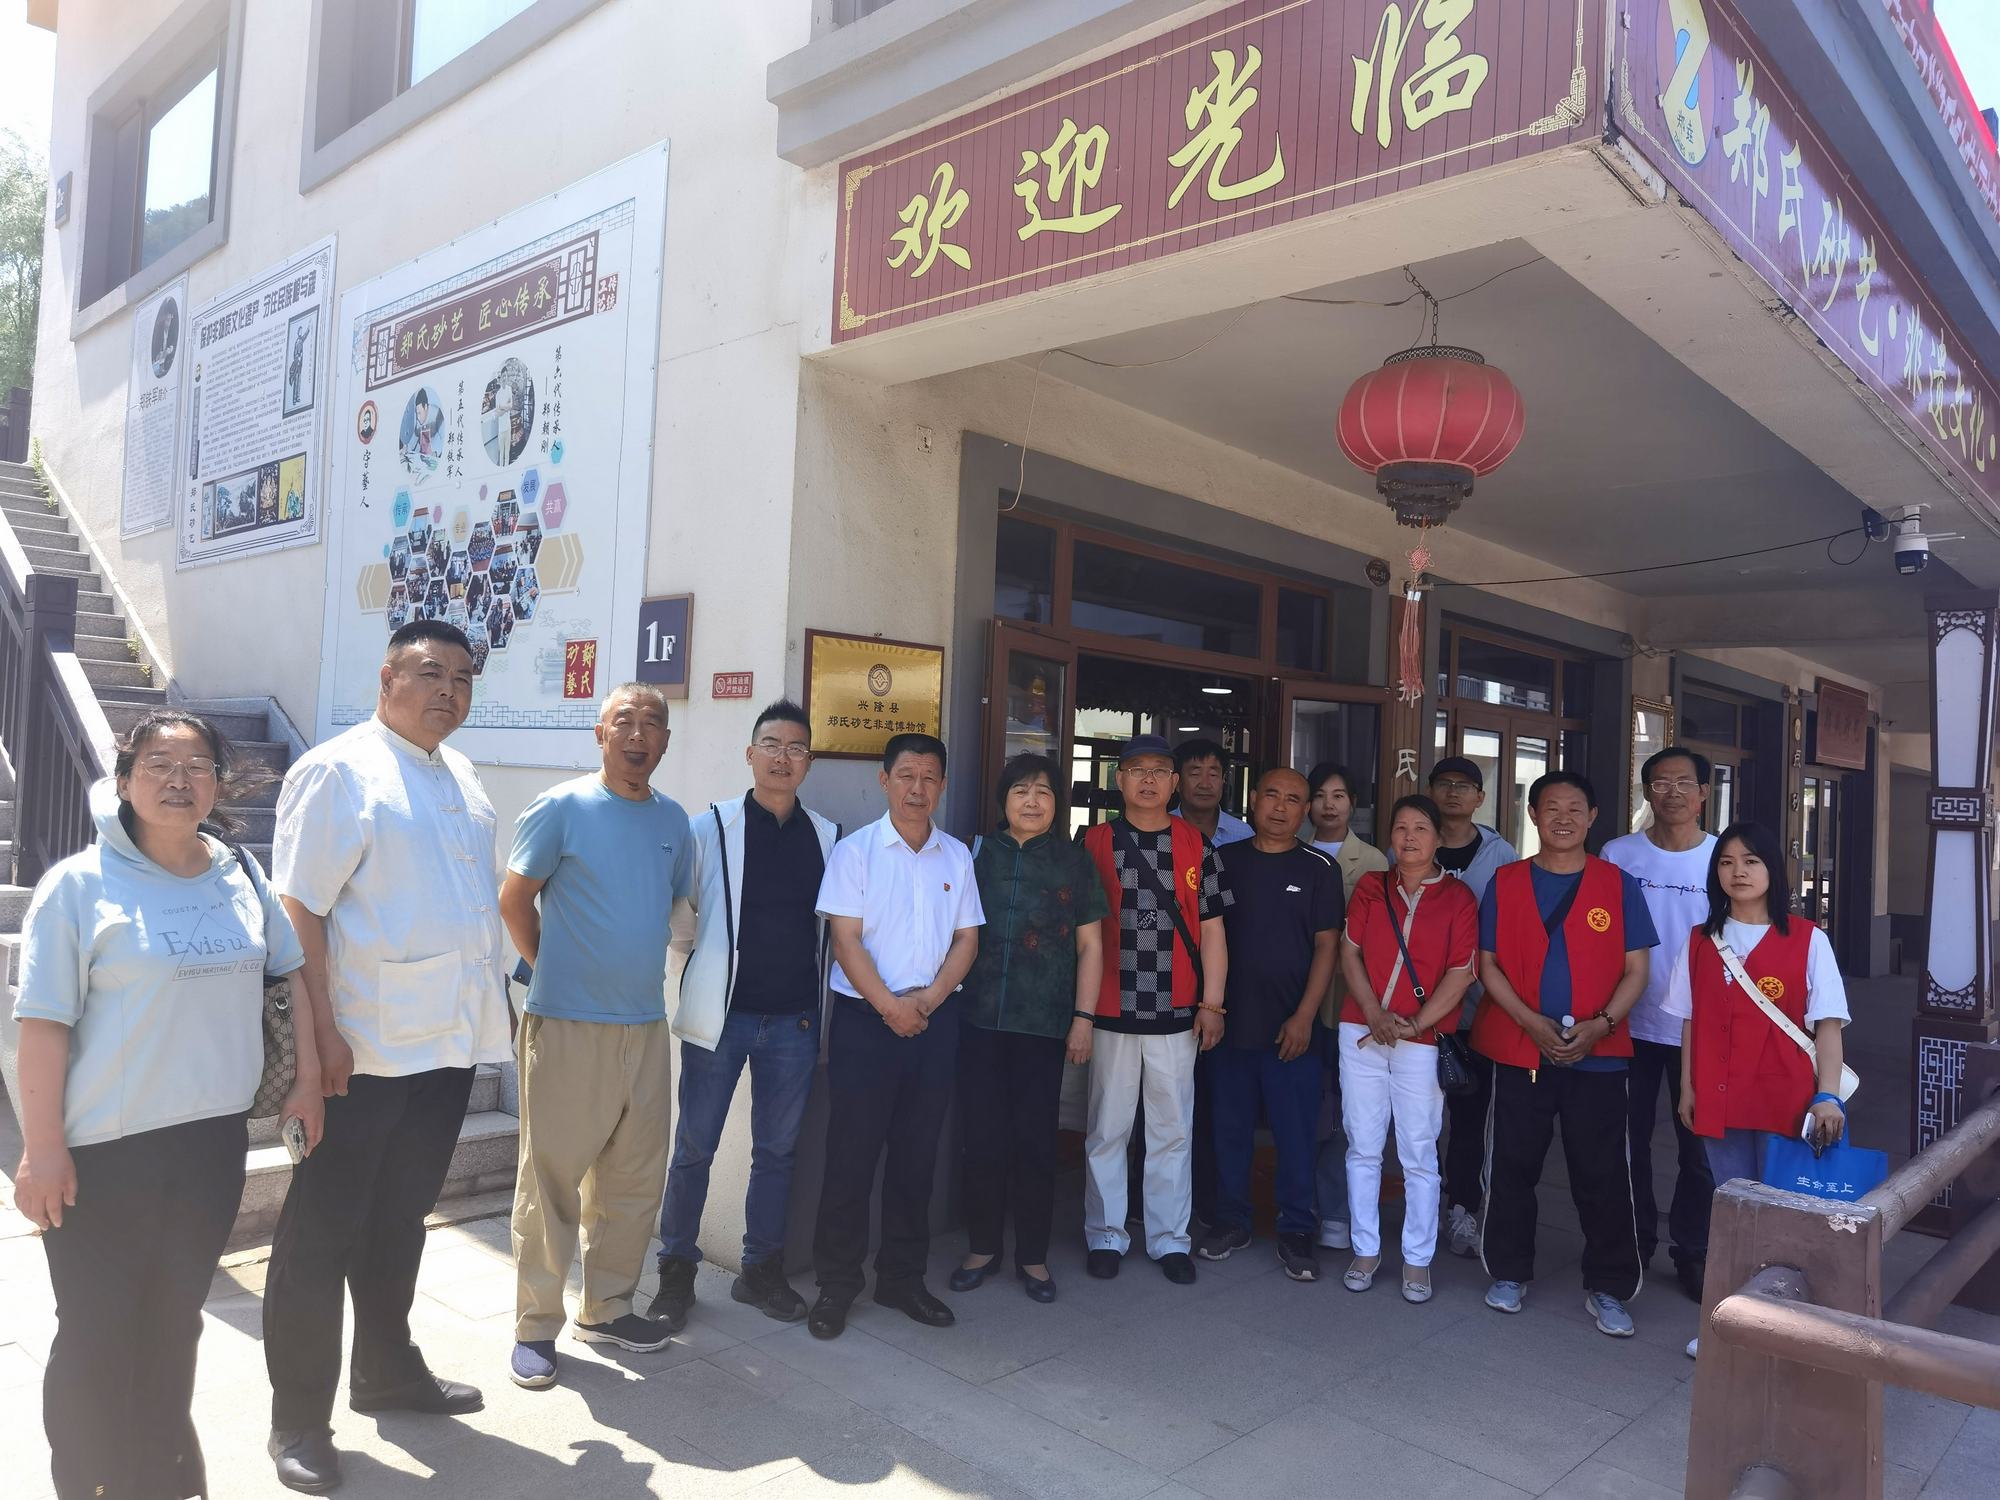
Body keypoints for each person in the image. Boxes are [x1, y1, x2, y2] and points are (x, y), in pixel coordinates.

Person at [13, 712, 320, 1500]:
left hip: (210, 1144)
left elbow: (288, 976)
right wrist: (41, 1149)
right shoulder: (78, 886)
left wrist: (307, 1081)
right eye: (157, 764)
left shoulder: (240, 874)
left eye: (197, 766)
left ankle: (163, 1478)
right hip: (103, 1153)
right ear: (123, 781)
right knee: (95, 1334)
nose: (178, 779)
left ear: (219, 783)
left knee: (175, 1319)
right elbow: (41, 1026)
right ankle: (88, 1484)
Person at [263, 621, 514, 1493]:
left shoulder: (462, 774)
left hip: (445, 1044)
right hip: (362, 1052)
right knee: (320, 1233)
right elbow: (299, 911)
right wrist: (321, 1038)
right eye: (430, 672)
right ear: (386, 678)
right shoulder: (338, 771)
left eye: (463, 678)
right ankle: (299, 1415)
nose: (449, 690)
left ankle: (386, 1369)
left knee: (401, 1218)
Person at [499, 684, 694, 1390]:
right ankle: (535, 1326)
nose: (638, 735)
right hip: (568, 1024)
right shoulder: (562, 807)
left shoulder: (674, 820)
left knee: (633, 1178)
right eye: (624, 722)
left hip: (644, 1024)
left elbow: (674, 909)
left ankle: (608, 1308)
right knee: (550, 1179)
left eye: (652, 724)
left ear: (666, 740)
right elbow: (514, 900)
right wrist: (553, 967)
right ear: (600, 733)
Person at [654, 701, 839, 1330]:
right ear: (750, 754)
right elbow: (683, 921)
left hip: (795, 1021)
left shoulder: (826, 835)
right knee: (694, 1146)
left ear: (808, 761)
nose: (783, 757)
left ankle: (760, 1270)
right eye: (772, 745)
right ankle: (676, 1269)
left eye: (796, 748)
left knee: (778, 1152)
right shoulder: (711, 826)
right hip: (724, 1018)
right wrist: (707, 972)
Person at [808, 733, 984, 1339]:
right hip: (866, 1023)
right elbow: (845, 940)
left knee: (917, 1155)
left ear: (942, 785)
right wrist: (891, 1008)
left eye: (929, 777)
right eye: (906, 775)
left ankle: (902, 1279)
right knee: (851, 1156)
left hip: (933, 1021)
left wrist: (925, 1003)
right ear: (884, 781)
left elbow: (967, 939)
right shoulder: (855, 852)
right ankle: (836, 1284)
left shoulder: (955, 856)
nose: (917, 788)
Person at [1473, 770, 1656, 1338]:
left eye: (1575, 808)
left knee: (1603, 1171)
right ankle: (1508, 1271)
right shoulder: (1505, 881)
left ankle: (1609, 1285)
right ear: (1532, 815)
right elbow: (1487, 964)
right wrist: (1530, 1022)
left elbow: (1637, 969)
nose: (1563, 818)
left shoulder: (1617, 884)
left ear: (1593, 816)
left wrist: (1602, 1026)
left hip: (1600, 1055)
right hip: (1518, 1049)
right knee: (1512, 1166)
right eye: (1551, 807)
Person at [951, 754, 1107, 1303]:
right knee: (982, 1137)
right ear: (1004, 800)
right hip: (977, 1020)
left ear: (1057, 803)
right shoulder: (974, 855)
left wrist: (1083, 1019)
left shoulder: (1074, 862)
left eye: (1043, 791)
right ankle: (982, 1248)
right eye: (1021, 790)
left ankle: (1033, 1257)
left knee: (1036, 1141)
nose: (1032, 801)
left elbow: (1091, 946)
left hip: (1043, 1024)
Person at [1080, 735, 1231, 1284]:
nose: (1148, 779)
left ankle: (1170, 1239)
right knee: (1108, 1128)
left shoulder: (1199, 846)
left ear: (1173, 783)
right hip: (1110, 1006)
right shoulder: (1091, 841)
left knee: (1172, 1130)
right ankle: (1105, 1234)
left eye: (1159, 771)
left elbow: (1213, 932)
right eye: (1136, 769)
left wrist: (1213, 1003)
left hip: (1177, 1008)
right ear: (1118, 779)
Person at [1200, 769, 1341, 1281]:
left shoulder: (1319, 867)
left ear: (1305, 811)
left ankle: (1296, 1229)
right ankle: (1232, 1220)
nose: (1281, 807)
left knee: (1295, 1134)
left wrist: (1305, 1015)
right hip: (1228, 1026)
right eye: (1272, 796)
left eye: (1293, 799)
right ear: (1254, 799)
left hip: (1292, 1030)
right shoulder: (1223, 860)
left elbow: (1327, 947)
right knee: (1229, 1130)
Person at [1337, 795, 1478, 1303]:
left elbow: (1461, 973)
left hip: (1422, 1040)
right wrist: (1374, 1014)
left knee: (1418, 1151)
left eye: (1421, 828)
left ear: (1438, 838)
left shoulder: (1459, 898)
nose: (1410, 837)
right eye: (1401, 828)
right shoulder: (1372, 887)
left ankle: (1418, 1258)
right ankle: (1366, 1249)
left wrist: (1416, 1022)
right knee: (1363, 1145)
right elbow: (1349, 952)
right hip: (1362, 1032)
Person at [1665, 821, 1850, 1188]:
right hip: (1718, 1095)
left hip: (1786, 1098)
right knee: (1732, 1200)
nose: (1738, 872)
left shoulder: (1809, 939)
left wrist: (1828, 1095)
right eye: (1726, 862)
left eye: (1750, 861)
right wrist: (1688, 1088)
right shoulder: (1699, 941)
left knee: (1784, 1205)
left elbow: (1827, 1024)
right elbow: (1690, 1020)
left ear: (1772, 869)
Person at [1602, 748, 1719, 1303]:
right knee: (1629, 1141)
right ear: (1647, 792)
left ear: (1703, 793)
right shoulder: (1619, 854)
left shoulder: (1724, 858)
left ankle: (1693, 1251)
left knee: (1700, 1150)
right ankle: (1634, 1240)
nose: (1672, 792)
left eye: (1684, 783)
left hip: (1703, 1028)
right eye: (1660, 783)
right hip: (1629, 1022)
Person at [1429, 755, 1518, 1259]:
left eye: (1464, 786)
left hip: (1478, 1011)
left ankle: (1462, 1207)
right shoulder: (1413, 839)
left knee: (1469, 1119)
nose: (1454, 792)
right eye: (1445, 784)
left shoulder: (1501, 855)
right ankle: (1422, 1208)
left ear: (1480, 798)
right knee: (1419, 1119)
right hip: (1419, 1008)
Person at [1303, 761, 1388, 1254]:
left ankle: (1336, 1210)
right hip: (1296, 1002)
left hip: (1345, 1006)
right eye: (1320, 795)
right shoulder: (1292, 849)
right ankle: (1302, 1205)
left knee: (1342, 1111)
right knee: (1302, 1108)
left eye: (1338, 796)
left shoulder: (1373, 862)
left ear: (1353, 803)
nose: (1328, 805)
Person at [1173, 737, 1252, 846]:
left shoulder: (1243, 834)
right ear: (1177, 782)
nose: (1205, 785)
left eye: (1213, 775)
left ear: (1223, 779)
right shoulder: (1159, 830)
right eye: (1195, 774)